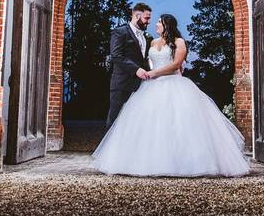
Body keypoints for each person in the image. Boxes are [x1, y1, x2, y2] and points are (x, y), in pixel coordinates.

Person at [93, 13, 249, 177]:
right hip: (151, 86)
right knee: (150, 124)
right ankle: (148, 162)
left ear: (167, 25)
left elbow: (175, 65)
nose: (156, 25)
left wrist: (153, 73)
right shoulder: (152, 42)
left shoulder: (179, 42)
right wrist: (140, 72)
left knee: (178, 123)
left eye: (159, 23)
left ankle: (183, 163)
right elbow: (146, 61)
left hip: (173, 83)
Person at [106, 2, 153, 128]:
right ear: (137, 15)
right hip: (122, 84)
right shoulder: (119, 32)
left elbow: (146, 59)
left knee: (134, 123)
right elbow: (116, 55)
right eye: (146, 18)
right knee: (115, 121)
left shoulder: (147, 37)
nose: (148, 22)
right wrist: (136, 69)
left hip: (141, 87)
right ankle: (110, 148)